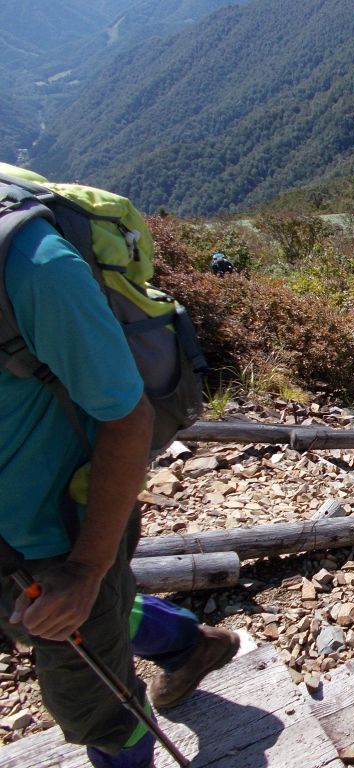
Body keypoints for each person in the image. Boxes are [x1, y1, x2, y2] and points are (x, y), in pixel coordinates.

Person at [1, 215, 238, 768]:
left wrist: (85, 570)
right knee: (59, 619)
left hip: (58, 529)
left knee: (100, 711)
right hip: (25, 530)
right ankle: (186, 643)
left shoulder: (32, 266)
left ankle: (176, 650)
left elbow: (126, 419)